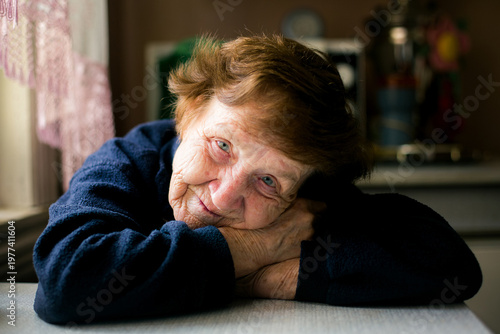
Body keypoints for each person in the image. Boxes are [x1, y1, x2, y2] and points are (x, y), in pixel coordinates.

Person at [32, 34, 482, 324]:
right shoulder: (127, 160)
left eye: (268, 182)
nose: (226, 197)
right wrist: (252, 249)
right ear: (187, 114)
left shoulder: (307, 196)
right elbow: (65, 279)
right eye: (221, 146)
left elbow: (452, 265)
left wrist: (268, 281)